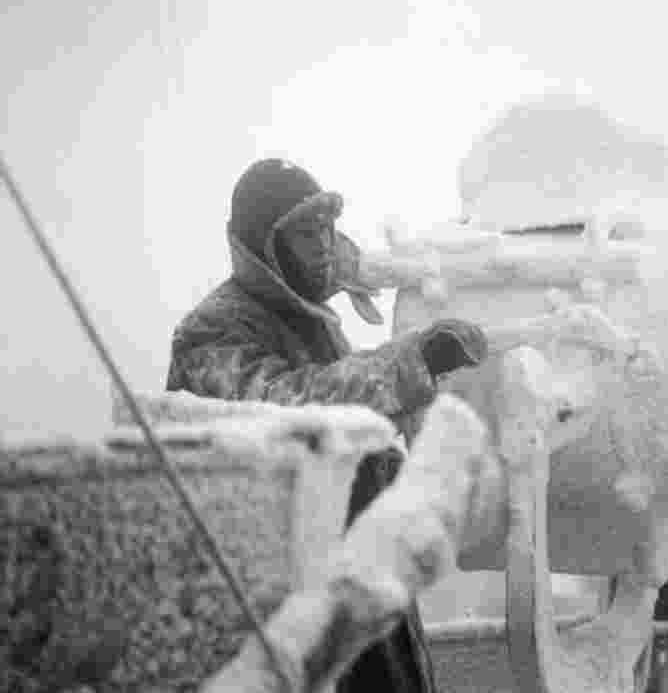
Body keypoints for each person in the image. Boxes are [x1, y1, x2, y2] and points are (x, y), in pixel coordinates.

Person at [166, 158, 488, 693]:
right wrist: (411, 362)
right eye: (302, 233)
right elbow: (290, 405)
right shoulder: (212, 331)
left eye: (325, 230)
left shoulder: (309, 323)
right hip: (274, 605)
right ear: (262, 246)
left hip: (346, 577)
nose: (321, 246)